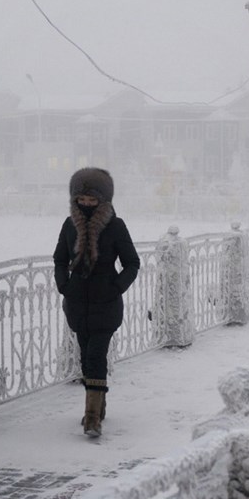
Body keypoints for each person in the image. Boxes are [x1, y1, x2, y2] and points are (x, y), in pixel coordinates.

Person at [53, 167, 140, 437]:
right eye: (82, 200)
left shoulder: (116, 226)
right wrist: (64, 286)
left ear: (104, 200)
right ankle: (99, 403)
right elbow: (59, 258)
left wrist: (114, 287)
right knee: (85, 359)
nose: (87, 204)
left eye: (92, 200)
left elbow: (132, 263)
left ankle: (92, 417)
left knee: (96, 355)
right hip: (78, 303)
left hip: (105, 303)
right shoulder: (69, 226)